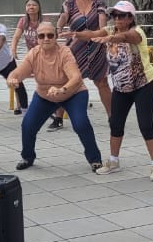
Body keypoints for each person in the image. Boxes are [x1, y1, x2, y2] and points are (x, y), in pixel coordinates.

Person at [9, 21, 104, 172]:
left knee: (81, 124)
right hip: (45, 95)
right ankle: (27, 157)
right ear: (37, 38)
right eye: (41, 36)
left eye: (50, 35)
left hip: (73, 93)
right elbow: (19, 72)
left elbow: (76, 77)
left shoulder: (64, 52)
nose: (46, 39)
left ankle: (95, 159)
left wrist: (62, 89)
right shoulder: (33, 53)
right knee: (28, 125)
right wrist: (12, 78)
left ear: (56, 36)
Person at [93, 0, 153, 180]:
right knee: (115, 123)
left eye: (122, 15)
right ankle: (113, 161)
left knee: (145, 124)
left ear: (131, 18)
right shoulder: (110, 30)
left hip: (144, 84)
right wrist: (75, 34)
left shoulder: (137, 32)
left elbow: (127, 37)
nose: (117, 19)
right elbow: (92, 34)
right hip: (121, 87)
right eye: (114, 15)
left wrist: (110, 39)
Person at [55, 0, 113, 122]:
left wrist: (101, 35)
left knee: (102, 82)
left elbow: (103, 22)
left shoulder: (98, 2)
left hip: (96, 48)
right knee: (67, 81)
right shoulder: (69, 3)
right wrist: (59, 29)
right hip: (75, 48)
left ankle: (113, 117)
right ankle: (58, 118)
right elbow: (63, 17)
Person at [8, 0, 47, 110]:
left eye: (34, 5)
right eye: (29, 5)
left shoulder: (43, 22)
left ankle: (47, 104)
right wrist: (13, 50)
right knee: (17, 77)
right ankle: (19, 105)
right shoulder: (23, 21)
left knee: (45, 79)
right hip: (30, 56)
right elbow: (16, 37)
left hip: (44, 55)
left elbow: (49, 40)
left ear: (39, 7)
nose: (31, 7)